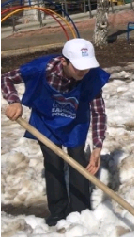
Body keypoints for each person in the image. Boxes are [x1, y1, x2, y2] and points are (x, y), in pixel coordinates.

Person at [1, 39, 110, 226]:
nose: (84, 73)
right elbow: (5, 78)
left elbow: (98, 111)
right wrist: (13, 100)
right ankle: (58, 212)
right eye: (79, 68)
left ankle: (80, 211)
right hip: (46, 120)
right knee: (53, 162)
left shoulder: (91, 76)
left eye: (87, 68)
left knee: (78, 162)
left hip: (76, 121)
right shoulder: (40, 68)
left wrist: (97, 146)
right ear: (65, 61)